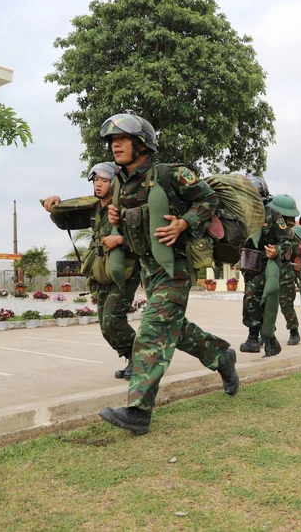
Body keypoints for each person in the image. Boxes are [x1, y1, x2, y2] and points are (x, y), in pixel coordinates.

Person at [96, 113, 238, 435]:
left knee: (152, 329)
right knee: (174, 327)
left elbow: (208, 199)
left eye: (122, 139)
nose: (115, 145)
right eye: (111, 141)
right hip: (148, 268)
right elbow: (131, 221)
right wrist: (117, 216)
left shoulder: (170, 174)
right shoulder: (120, 181)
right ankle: (221, 355)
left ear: (142, 143)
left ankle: (138, 412)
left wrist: (184, 221)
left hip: (174, 267)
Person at [42, 162, 141, 381]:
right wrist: (55, 204)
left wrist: (121, 240)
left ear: (115, 182)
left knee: (112, 320)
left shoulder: (126, 207)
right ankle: (132, 357)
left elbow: (144, 237)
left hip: (124, 271)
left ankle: (141, 360)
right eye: (95, 180)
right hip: (100, 271)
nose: (98, 184)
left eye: (104, 181)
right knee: (106, 327)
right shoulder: (94, 207)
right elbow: (66, 221)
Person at [239, 180, 294, 356]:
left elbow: (287, 240)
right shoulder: (240, 213)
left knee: (251, 296)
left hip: (266, 264)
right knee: (254, 302)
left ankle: (253, 338)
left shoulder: (273, 215)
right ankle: (271, 341)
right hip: (248, 265)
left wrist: (277, 251)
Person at [273, 195, 301, 346]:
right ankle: (266, 334)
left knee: (286, 304)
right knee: (266, 305)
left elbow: (295, 252)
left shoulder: (291, 231)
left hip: (285, 272)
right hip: (270, 269)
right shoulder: (269, 223)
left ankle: (294, 331)